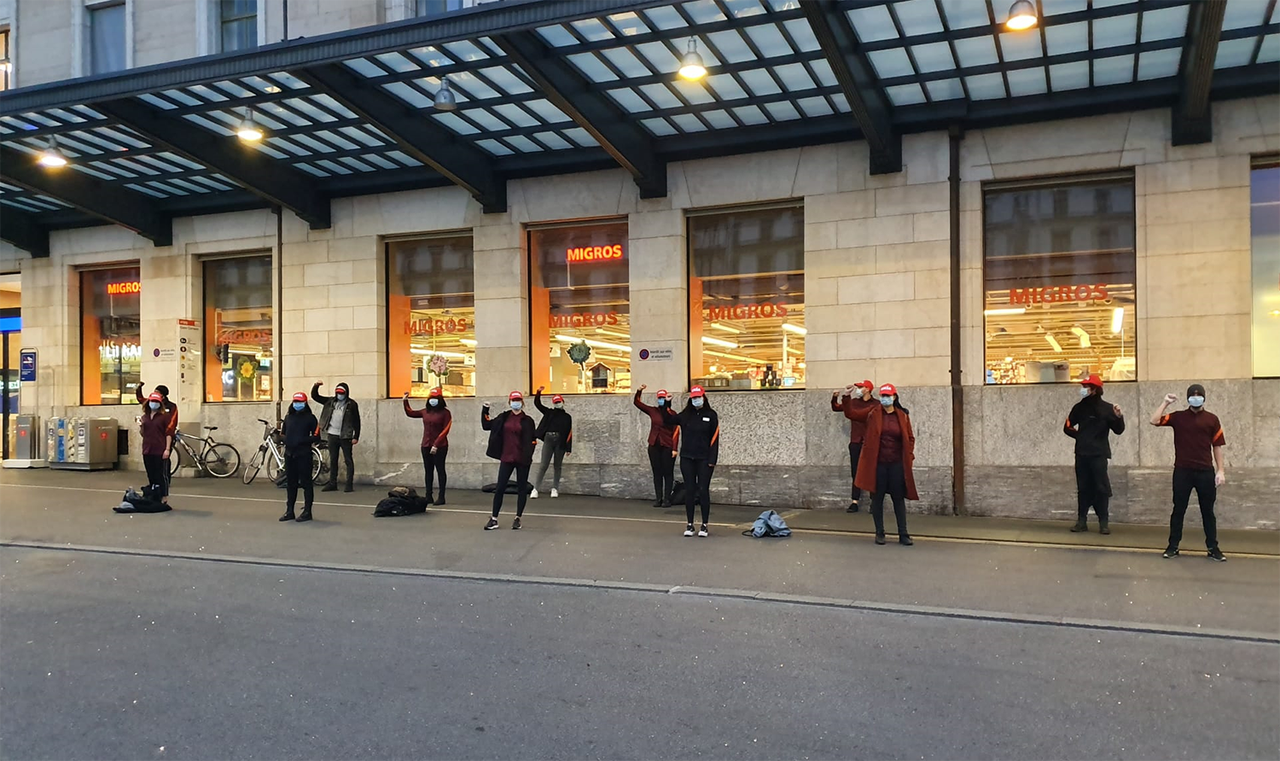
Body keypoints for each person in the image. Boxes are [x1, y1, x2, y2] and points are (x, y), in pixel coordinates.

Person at [1149, 384, 1228, 562]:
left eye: (1199, 394)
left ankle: (1213, 548)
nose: (1196, 397)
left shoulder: (1212, 419)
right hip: (1183, 471)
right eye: (1192, 394)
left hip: (1205, 472)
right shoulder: (1178, 417)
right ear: (1187, 398)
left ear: (1204, 397)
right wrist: (1165, 403)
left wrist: (1220, 470)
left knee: (1208, 511)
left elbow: (1217, 446)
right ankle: (1173, 546)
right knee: (1178, 509)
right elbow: (1154, 421)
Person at [842, 383, 916, 546]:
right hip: (878, 463)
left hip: (896, 463)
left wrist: (909, 455)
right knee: (878, 498)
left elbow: (910, 437)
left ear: (894, 397)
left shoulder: (902, 416)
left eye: (888, 396)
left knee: (898, 499)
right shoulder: (872, 413)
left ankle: (903, 533)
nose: (885, 399)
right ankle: (880, 532)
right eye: (883, 396)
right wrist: (846, 397)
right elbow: (851, 413)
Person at [1062, 374, 1125, 534]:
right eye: (1083, 386)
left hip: (1099, 454)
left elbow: (1119, 430)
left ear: (1095, 389)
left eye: (1086, 387)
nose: (1083, 389)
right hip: (1082, 454)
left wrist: (1119, 417)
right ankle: (1081, 521)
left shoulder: (1107, 408)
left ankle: (1103, 522)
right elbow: (1067, 427)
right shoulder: (1078, 408)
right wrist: (1081, 437)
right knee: (1083, 488)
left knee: (1101, 487)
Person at [664, 386, 719, 538]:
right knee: (689, 490)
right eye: (693, 398)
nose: (696, 400)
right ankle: (689, 524)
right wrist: (667, 404)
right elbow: (668, 419)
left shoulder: (711, 415)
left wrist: (712, 460)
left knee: (703, 490)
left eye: (698, 397)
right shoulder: (685, 415)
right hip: (687, 458)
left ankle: (705, 524)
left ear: (704, 397)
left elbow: (715, 439)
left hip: (704, 459)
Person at [481, 391, 538, 530]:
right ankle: (494, 518)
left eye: (518, 400)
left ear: (522, 402)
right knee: (500, 487)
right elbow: (487, 425)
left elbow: (533, 439)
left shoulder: (528, 420)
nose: (515, 402)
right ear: (509, 402)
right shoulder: (504, 417)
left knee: (522, 487)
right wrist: (485, 409)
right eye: (513, 400)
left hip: (522, 458)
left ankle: (518, 517)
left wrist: (529, 454)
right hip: (507, 456)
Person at [832, 380, 876, 513]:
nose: (858, 389)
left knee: (872, 472)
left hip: (870, 442)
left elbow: (853, 414)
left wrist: (846, 397)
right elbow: (837, 407)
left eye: (860, 387)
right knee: (855, 471)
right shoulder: (855, 403)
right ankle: (854, 501)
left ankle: (874, 501)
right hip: (856, 441)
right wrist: (835, 397)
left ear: (867, 389)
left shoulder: (876, 405)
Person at [404, 388, 452, 505]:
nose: (433, 401)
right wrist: (405, 401)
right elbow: (410, 413)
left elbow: (446, 430)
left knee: (440, 470)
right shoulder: (425, 412)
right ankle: (428, 495)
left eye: (435, 399)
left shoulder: (445, 413)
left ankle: (441, 497)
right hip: (426, 444)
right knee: (428, 471)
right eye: (431, 398)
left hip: (440, 446)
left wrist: (436, 444)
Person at [312, 381, 361, 493]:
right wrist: (316, 386)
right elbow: (315, 396)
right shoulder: (330, 401)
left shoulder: (352, 404)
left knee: (348, 460)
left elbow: (356, 421)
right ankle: (332, 483)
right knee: (333, 459)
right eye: (337, 393)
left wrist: (356, 436)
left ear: (346, 393)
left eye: (342, 393)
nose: (339, 395)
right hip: (332, 434)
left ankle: (349, 484)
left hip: (345, 436)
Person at [634, 384, 678, 507]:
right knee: (657, 472)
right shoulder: (653, 411)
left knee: (668, 473)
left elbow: (676, 431)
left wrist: (675, 448)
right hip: (654, 444)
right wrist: (639, 391)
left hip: (667, 445)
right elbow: (637, 403)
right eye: (660, 398)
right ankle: (658, 498)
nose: (661, 400)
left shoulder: (672, 413)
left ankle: (667, 499)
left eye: (663, 398)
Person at [280, 392, 319, 523]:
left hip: (304, 454)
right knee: (291, 484)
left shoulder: (311, 418)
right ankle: (289, 510)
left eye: (300, 402)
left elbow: (317, 436)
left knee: (306, 483)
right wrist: (285, 440)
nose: (297, 404)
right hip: (290, 454)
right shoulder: (288, 418)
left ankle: (307, 511)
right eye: (295, 401)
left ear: (305, 403)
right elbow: (283, 434)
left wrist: (302, 440)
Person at [531, 386, 572, 499]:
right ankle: (535, 489)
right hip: (549, 439)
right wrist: (538, 392)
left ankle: (555, 488)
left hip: (560, 441)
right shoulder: (549, 412)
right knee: (543, 465)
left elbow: (569, 432)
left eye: (559, 402)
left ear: (563, 402)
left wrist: (569, 448)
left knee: (557, 466)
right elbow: (538, 404)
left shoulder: (567, 417)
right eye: (556, 402)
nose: (558, 403)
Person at [136, 382, 178, 488]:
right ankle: (153, 487)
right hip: (149, 444)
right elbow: (140, 399)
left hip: (163, 440)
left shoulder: (171, 407)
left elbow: (172, 422)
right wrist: (139, 388)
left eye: (158, 393)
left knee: (162, 465)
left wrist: (168, 436)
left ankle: (164, 484)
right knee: (151, 468)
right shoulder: (148, 411)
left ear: (163, 396)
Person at [139, 392, 174, 505]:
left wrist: (167, 449)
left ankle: (164, 496)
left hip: (160, 449)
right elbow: (143, 434)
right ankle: (154, 493)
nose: (154, 404)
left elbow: (168, 433)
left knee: (162, 475)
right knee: (151, 474)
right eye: (152, 401)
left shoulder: (164, 417)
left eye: (156, 402)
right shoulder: (145, 417)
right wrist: (140, 427)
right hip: (147, 449)